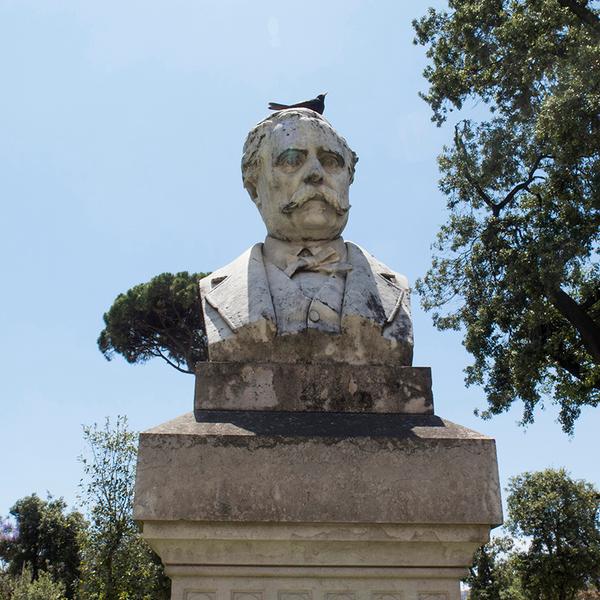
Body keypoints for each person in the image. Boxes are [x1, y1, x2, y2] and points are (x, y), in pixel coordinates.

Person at [200, 109, 413, 366]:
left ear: (349, 178)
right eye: (291, 160)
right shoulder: (218, 291)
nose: (315, 173)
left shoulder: (394, 288)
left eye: (331, 161)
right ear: (254, 187)